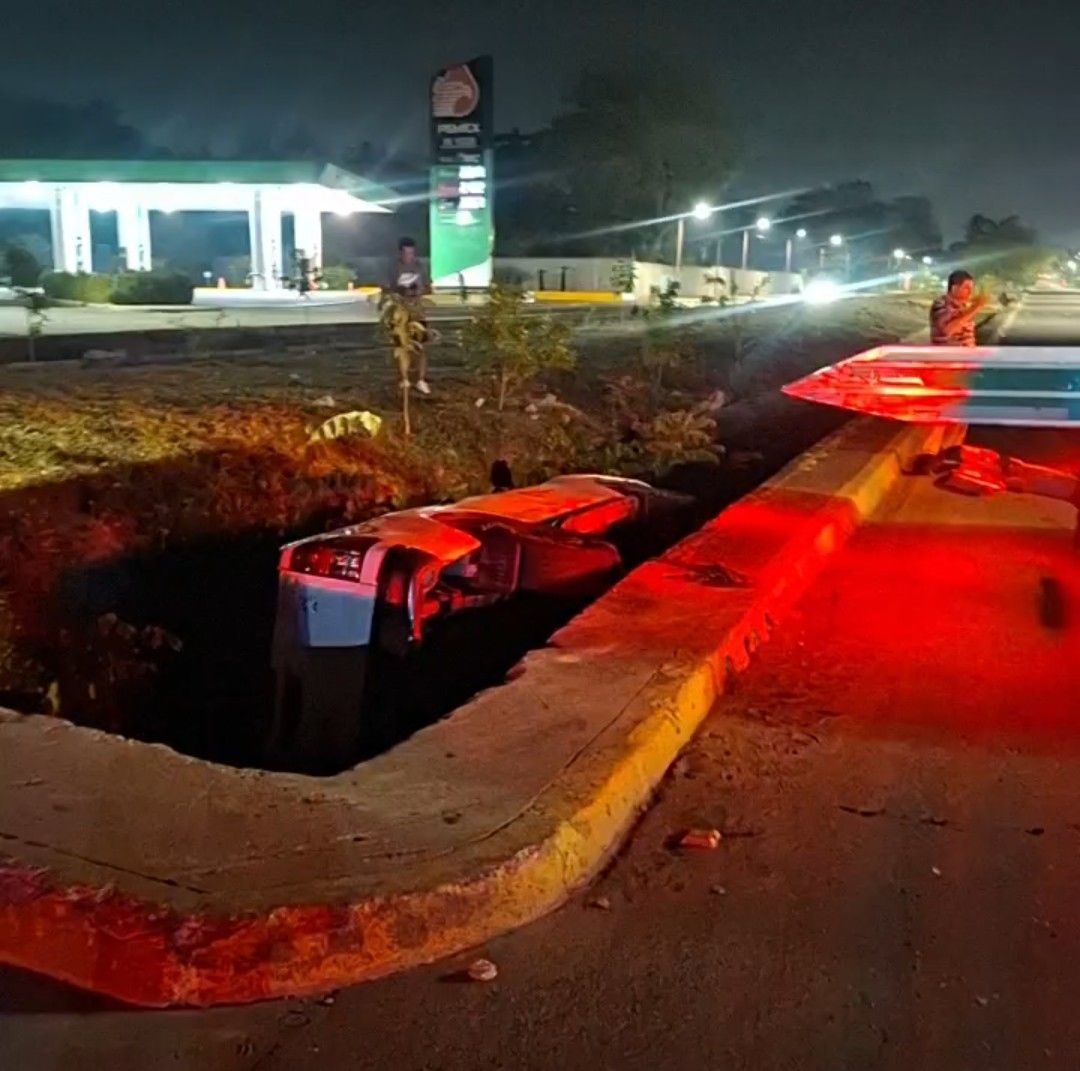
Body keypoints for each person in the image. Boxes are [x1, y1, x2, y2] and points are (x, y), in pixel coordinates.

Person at [384, 237, 432, 394]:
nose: (409, 256)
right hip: (400, 313)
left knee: (421, 346)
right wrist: (399, 291)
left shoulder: (420, 267)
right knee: (401, 346)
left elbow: (428, 287)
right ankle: (404, 379)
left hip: (418, 312)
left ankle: (421, 380)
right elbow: (386, 288)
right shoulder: (393, 268)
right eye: (406, 253)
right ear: (400, 252)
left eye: (411, 253)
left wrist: (418, 291)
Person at [930, 269, 989, 346]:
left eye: (971, 288)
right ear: (954, 288)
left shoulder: (963, 306)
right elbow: (948, 330)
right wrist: (976, 307)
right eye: (966, 288)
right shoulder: (941, 303)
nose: (970, 292)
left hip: (967, 354)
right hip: (950, 355)